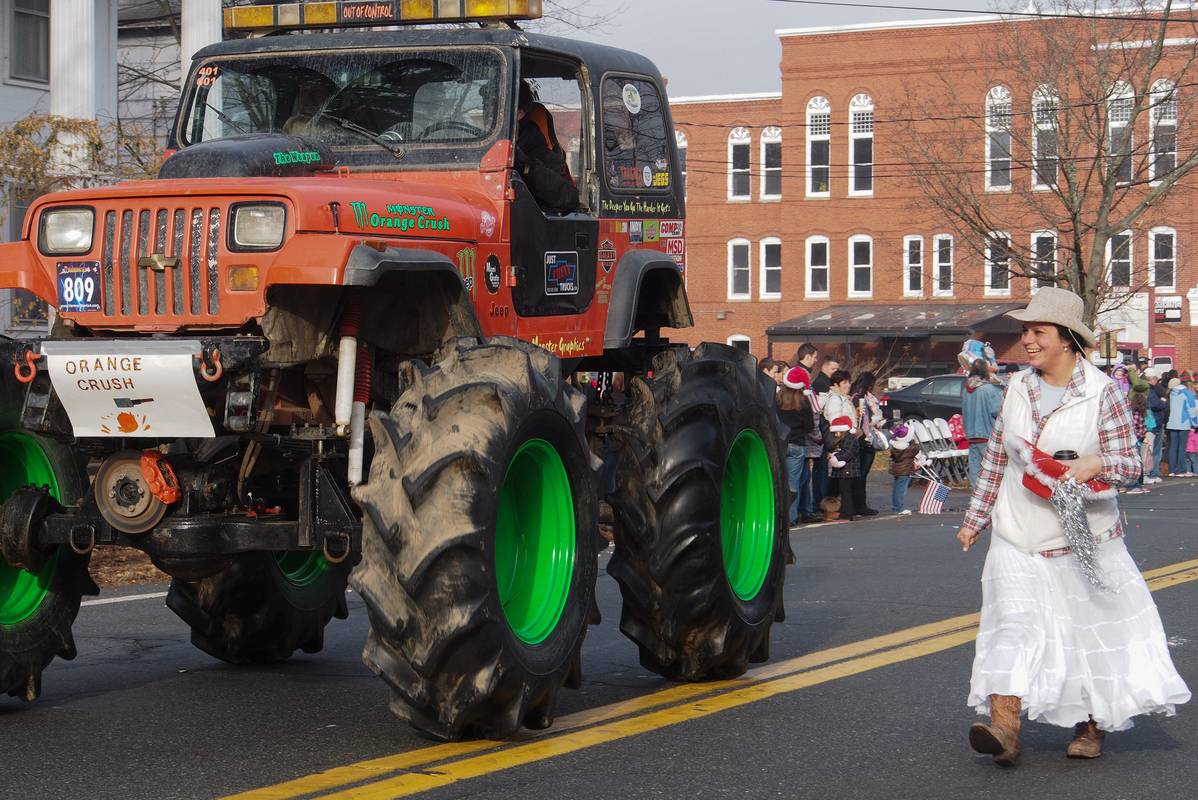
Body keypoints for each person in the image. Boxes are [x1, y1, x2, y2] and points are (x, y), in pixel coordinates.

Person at [956, 287, 1189, 767]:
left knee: (1085, 633)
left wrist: (1094, 462)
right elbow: (998, 457)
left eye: (1038, 331)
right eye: (1025, 331)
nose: (1028, 341)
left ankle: (1090, 726)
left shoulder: (1103, 392)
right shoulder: (1016, 386)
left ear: (1066, 339)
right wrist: (976, 518)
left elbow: (1129, 466)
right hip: (1017, 531)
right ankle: (1004, 728)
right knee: (1011, 628)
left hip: (1082, 537)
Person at [514, 81, 579, 213]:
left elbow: (570, 198)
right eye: (485, 105)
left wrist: (527, 167)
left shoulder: (542, 155)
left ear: (519, 113)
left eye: (494, 105)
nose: (488, 111)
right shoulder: (475, 148)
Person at [778, 367, 815, 526]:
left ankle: (778, 516)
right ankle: (790, 518)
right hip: (797, 444)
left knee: (779, 481)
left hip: (780, 443)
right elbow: (810, 427)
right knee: (793, 483)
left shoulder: (777, 399)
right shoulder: (804, 402)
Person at [962, 358, 1004, 488]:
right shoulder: (989, 389)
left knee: (976, 472)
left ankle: (976, 499)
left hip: (971, 435)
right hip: (987, 434)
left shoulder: (966, 389)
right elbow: (997, 411)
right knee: (991, 472)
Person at [850, 371, 882, 516]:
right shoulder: (859, 399)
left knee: (861, 474)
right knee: (861, 474)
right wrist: (876, 419)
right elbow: (865, 420)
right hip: (864, 439)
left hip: (864, 438)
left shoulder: (859, 397)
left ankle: (859, 504)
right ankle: (859, 505)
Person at [825, 415, 861, 520]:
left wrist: (834, 456)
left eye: (837, 432)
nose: (835, 434)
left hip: (848, 470)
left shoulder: (851, 439)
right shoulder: (842, 440)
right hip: (841, 471)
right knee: (840, 491)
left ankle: (847, 513)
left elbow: (848, 453)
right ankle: (840, 510)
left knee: (846, 493)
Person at [887, 423, 923, 514]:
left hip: (897, 469)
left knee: (896, 488)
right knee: (901, 490)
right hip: (905, 470)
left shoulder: (895, 446)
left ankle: (896, 506)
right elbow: (917, 448)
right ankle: (899, 508)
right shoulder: (911, 448)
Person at [1165, 376, 1196, 477]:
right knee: (1182, 447)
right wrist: (1195, 423)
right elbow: (1191, 410)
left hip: (1172, 423)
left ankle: (1172, 470)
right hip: (1183, 423)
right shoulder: (1187, 393)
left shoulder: (1171, 393)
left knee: (1173, 447)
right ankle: (1181, 470)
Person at [1145, 367, 1168, 483]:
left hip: (1155, 423)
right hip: (1153, 423)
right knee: (1151, 450)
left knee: (1153, 450)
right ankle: (1151, 473)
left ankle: (1153, 473)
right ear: (1152, 378)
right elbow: (1156, 404)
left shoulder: (1152, 389)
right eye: (1156, 379)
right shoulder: (1149, 390)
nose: (1157, 381)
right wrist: (1163, 401)